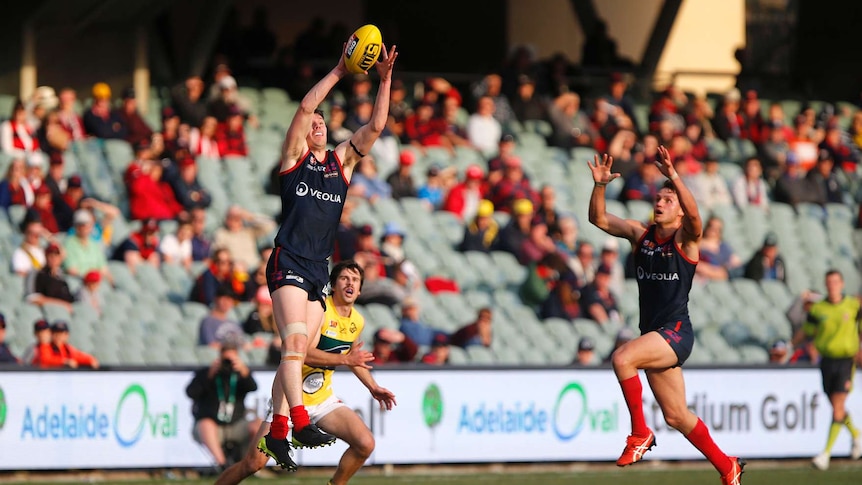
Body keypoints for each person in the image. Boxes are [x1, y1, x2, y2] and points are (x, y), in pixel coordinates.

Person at [259, 40, 398, 468]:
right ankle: (298, 422)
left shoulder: (342, 162)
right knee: (296, 343)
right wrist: (339, 69)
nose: (317, 122)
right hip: (288, 258)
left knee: (300, 349)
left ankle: (279, 431)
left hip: (318, 267)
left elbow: (375, 126)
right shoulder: (293, 161)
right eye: (313, 122)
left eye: (322, 120)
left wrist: (385, 79)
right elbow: (303, 107)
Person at [587, 149, 744, 484]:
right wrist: (599, 186)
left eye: (668, 200)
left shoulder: (685, 240)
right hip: (655, 333)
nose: (659, 203)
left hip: (674, 333)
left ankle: (640, 433)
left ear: (680, 211)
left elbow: (697, 219)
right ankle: (726, 466)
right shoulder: (639, 234)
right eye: (658, 198)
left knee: (622, 358)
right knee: (676, 416)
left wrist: (675, 176)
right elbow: (598, 220)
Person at [216, 260, 397, 483]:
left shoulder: (357, 321)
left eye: (355, 280)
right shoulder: (319, 310)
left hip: (322, 400)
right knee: (253, 464)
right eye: (344, 278)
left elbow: (354, 358)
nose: (350, 283)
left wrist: (373, 387)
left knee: (365, 443)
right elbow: (301, 353)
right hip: (289, 399)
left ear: (360, 290)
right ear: (332, 285)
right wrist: (345, 359)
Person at [802, 270, 862, 471]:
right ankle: (856, 435)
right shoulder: (819, 309)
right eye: (829, 282)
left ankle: (825, 454)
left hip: (846, 360)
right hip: (827, 361)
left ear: (842, 284)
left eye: (836, 282)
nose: (832, 286)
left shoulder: (853, 306)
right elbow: (809, 331)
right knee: (836, 406)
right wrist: (796, 345)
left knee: (838, 406)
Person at [187, 334, 259, 471]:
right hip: (212, 427)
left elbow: (253, 387)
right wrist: (210, 375)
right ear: (219, 357)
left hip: (237, 423)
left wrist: (244, 371)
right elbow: (191, 393)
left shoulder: (240, 374)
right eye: (226, 359)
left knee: (259, 424)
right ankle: (223, 465)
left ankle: (251, 464)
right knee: (205, 423)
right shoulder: (206, 373)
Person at [34, 321, 99, 369]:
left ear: (67, 335)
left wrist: (90, 360)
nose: (59, 336)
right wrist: (64, 361)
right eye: (56, 333)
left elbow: (78, 356)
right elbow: (45, 359)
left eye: (62, 334)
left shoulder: (68, 348)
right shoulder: (45, 346)